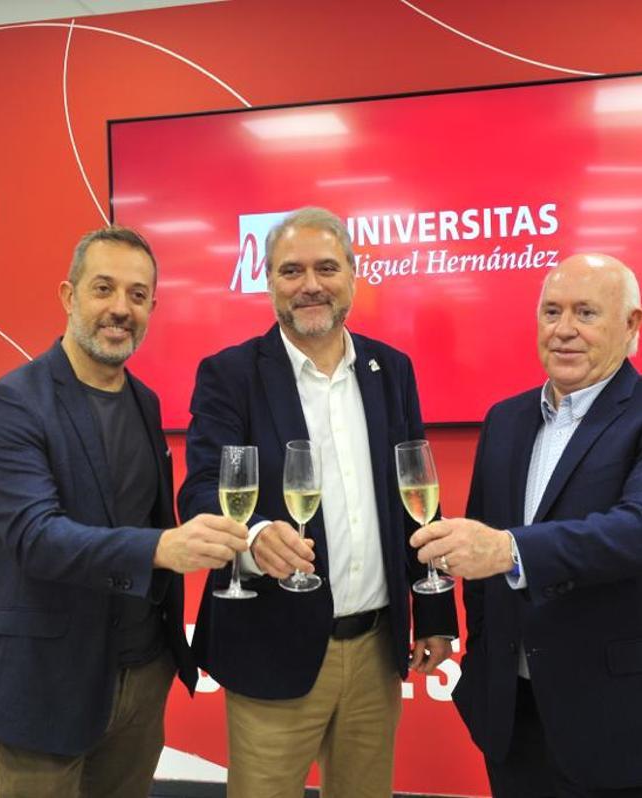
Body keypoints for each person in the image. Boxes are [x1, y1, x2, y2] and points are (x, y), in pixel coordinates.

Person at [412, 253, 642, 798]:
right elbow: (482, 567)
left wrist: (511, 551)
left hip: (631, 728)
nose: (563, 330)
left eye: (586, 313)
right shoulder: (506, 419)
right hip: (517, 726)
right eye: (551, 312)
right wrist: (482, 666)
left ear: (632, 324)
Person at [178, 207, 458, 797]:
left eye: (326, 268)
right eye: (291, 271)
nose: (310, 285)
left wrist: (433, 614)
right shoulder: (231, 375)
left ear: (353, 277)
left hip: (376, 651)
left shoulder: (392, 370)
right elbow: (202, 488)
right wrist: (254, 538)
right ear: (270, 281)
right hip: (272, 648)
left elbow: (415, 500)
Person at [0, 226, 249, 798]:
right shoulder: (10, 404)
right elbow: (35, 539)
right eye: (104, 289)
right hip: (47, 682)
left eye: (138, 295)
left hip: (142, 677)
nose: (121, 308)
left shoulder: (144, 402)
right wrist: (161, 549)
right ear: (69, 297)